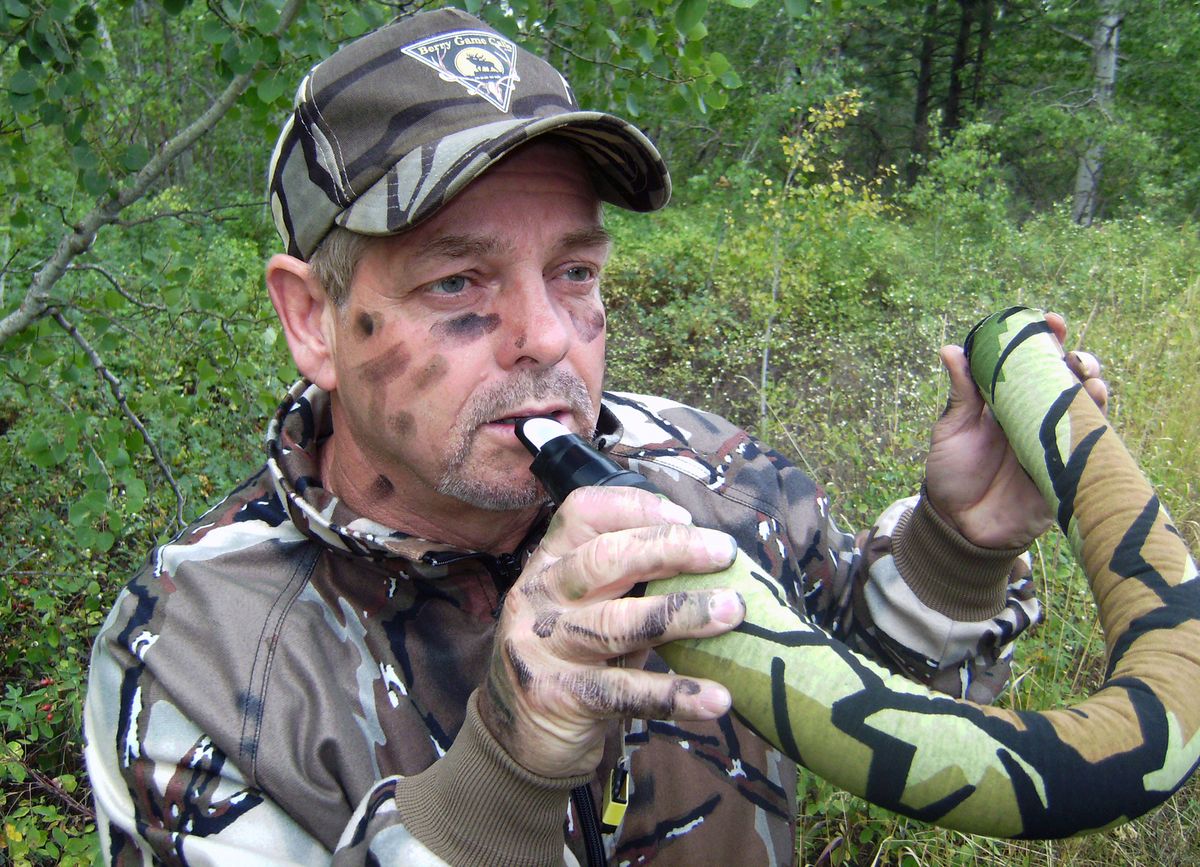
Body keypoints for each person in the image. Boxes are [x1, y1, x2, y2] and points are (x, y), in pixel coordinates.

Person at [83, 8, 1107, 866]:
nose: (547, 340)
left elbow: (862, 691)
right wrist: (509, 768)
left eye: (574, 272)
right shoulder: (196, 659)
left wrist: (958, 544)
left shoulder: (719, 478)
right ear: (313, 319)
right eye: (457, 282)